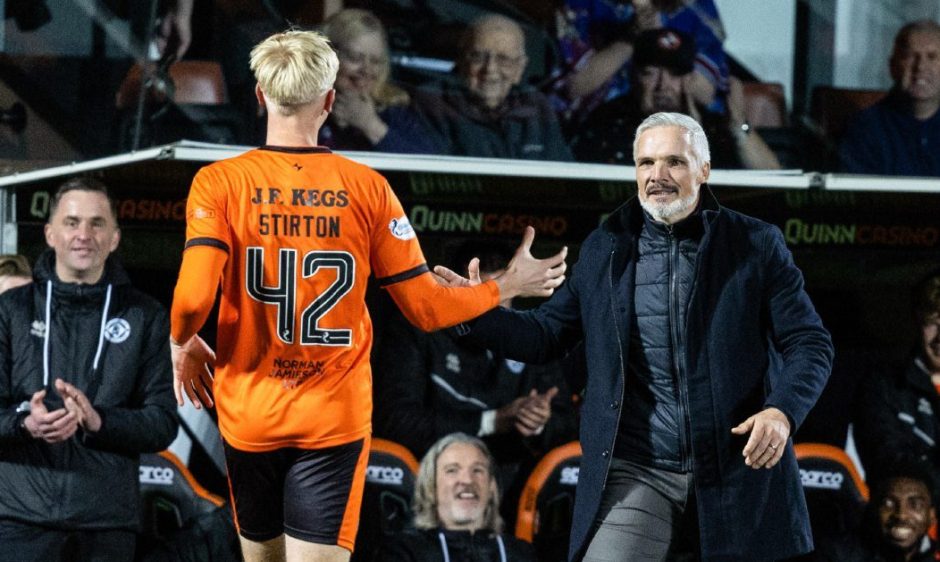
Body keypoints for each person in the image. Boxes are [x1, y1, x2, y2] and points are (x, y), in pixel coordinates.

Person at [168, 29, 567, 562]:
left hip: (251, 415)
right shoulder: (367, 187)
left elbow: (193, 299)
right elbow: (426, 308)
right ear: (330, 102)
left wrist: (182, 341)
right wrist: (506, 286)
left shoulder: (218, 182)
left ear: (260, 96)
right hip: (330, 420)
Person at [435, 112, 834, 560]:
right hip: (639, 470)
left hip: (736, 470)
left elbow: (809, 342)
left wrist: (781, 411)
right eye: (645, 163)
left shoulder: (754, 244)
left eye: (674, 163)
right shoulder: (606, 247)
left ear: (704, 170)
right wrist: (475, 307)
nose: (657, 176)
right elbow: (545, 335)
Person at [0, 177, 179, 561]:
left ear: (114, 237)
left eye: (97, 223)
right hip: (20, 520)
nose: (84, 234)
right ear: (50, 234)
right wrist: (24, 424)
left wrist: (100, 422)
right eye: (72, 222)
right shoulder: (10, 310)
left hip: (106, 522)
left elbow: (162, 423)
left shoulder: (144, 315)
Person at [372, 239, 579, 520]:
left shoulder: (533, 340)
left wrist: (540, 424)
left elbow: (571, 424)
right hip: (424, 493)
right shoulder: (418, 331)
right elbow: (396, 420)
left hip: (510, 495)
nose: (493, 313)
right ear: (455, 290)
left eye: (503, 298)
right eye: (486, 296)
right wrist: (494, 420)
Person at [571, 27, 780, 169]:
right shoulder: (605, 121)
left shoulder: (713, 126)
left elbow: (774, 181)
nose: (663, 86)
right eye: (650, 73)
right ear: (634, 77)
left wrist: (738, 128)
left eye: (675, 74)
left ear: (689, 80)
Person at [414, 14, 573, 161]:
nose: (490, 69)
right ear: (461, 61)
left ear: (520, 69)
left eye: (503, 59)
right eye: (478, 57)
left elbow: (564, 174)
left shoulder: (537, 105)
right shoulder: (432, 103)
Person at [549, 0, 729, 127]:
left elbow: (707, 93)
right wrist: (633, 36)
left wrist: (659, 38)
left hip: (676, 125)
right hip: (600, 127)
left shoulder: (695, 6)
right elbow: (573, 87)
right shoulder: (580, 5)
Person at [377, 432, 536, 562]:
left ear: (492, 487)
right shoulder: (403, 552)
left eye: (477, 470)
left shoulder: (522, 554)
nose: (467, 480)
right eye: (452, 470)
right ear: (430, 485)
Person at [854, 268, 940, 486]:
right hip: (909, 515)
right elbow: (887, 462)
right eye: (932, 322)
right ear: (917, 323)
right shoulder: (884, 386)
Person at [319, 8, 441, 154]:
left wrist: (371, 125)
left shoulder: (395, 111)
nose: (366, 70)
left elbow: (429, 164)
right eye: (355, 58)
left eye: (375, 61)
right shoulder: (301, 106)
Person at [840, 19, 940, 176]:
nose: (920, 67)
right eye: (911, 56)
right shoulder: (865, 128)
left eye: (932, 57)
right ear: (893, 67)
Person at [813, 459, 938, 562]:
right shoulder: (834, 555)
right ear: (873, 508)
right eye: (888, 504)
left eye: (915, 504)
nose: (901, 515)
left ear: (932, 515)